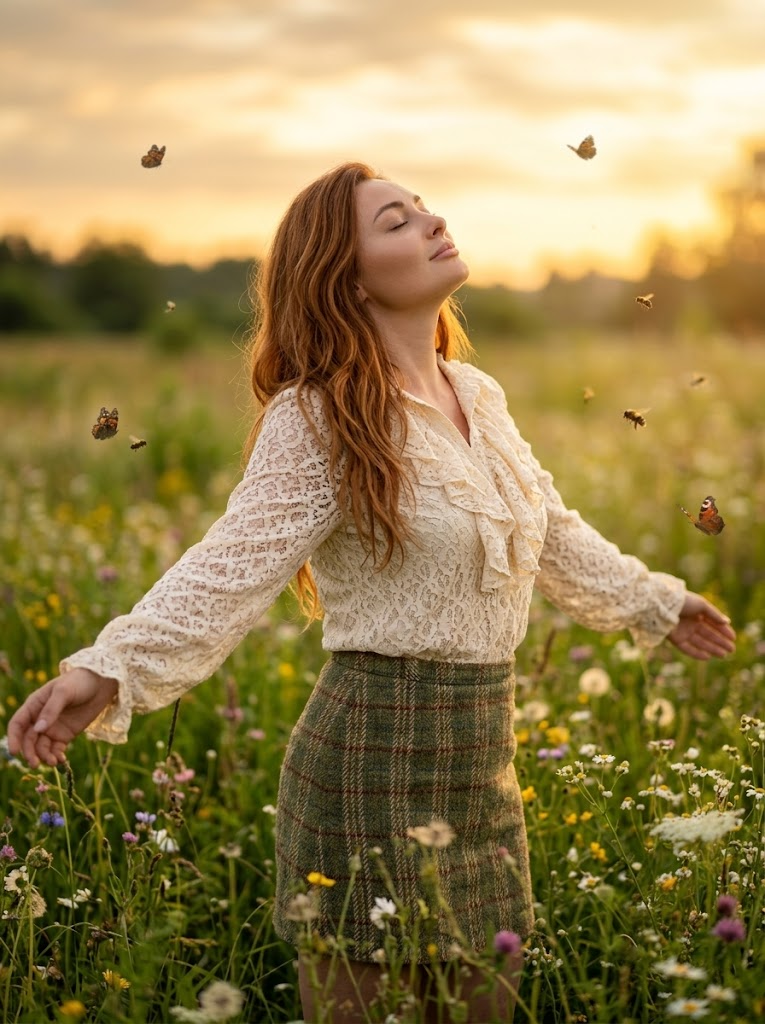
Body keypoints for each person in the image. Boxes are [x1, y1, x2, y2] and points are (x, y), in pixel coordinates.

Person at [8, 161, 735, 1023]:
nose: (431, 222)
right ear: (345, 277)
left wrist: (654, 602)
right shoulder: (318, 414)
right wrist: (110, 667)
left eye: (423, 207)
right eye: (396, 221)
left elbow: (549, 523)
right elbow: (231, 564)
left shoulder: (477, 392)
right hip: (365, 765)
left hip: (482, 770)